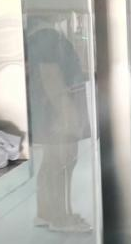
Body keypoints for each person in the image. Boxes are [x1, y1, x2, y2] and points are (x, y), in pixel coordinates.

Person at [28, 19, 91, 232]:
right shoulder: (48, 36)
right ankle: (61, 217)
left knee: (52, 162)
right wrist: (67, 114)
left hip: (50, 111)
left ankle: (45, 212)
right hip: (57, 112)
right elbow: (51, 78)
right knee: (63, 161)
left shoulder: (40, 34)